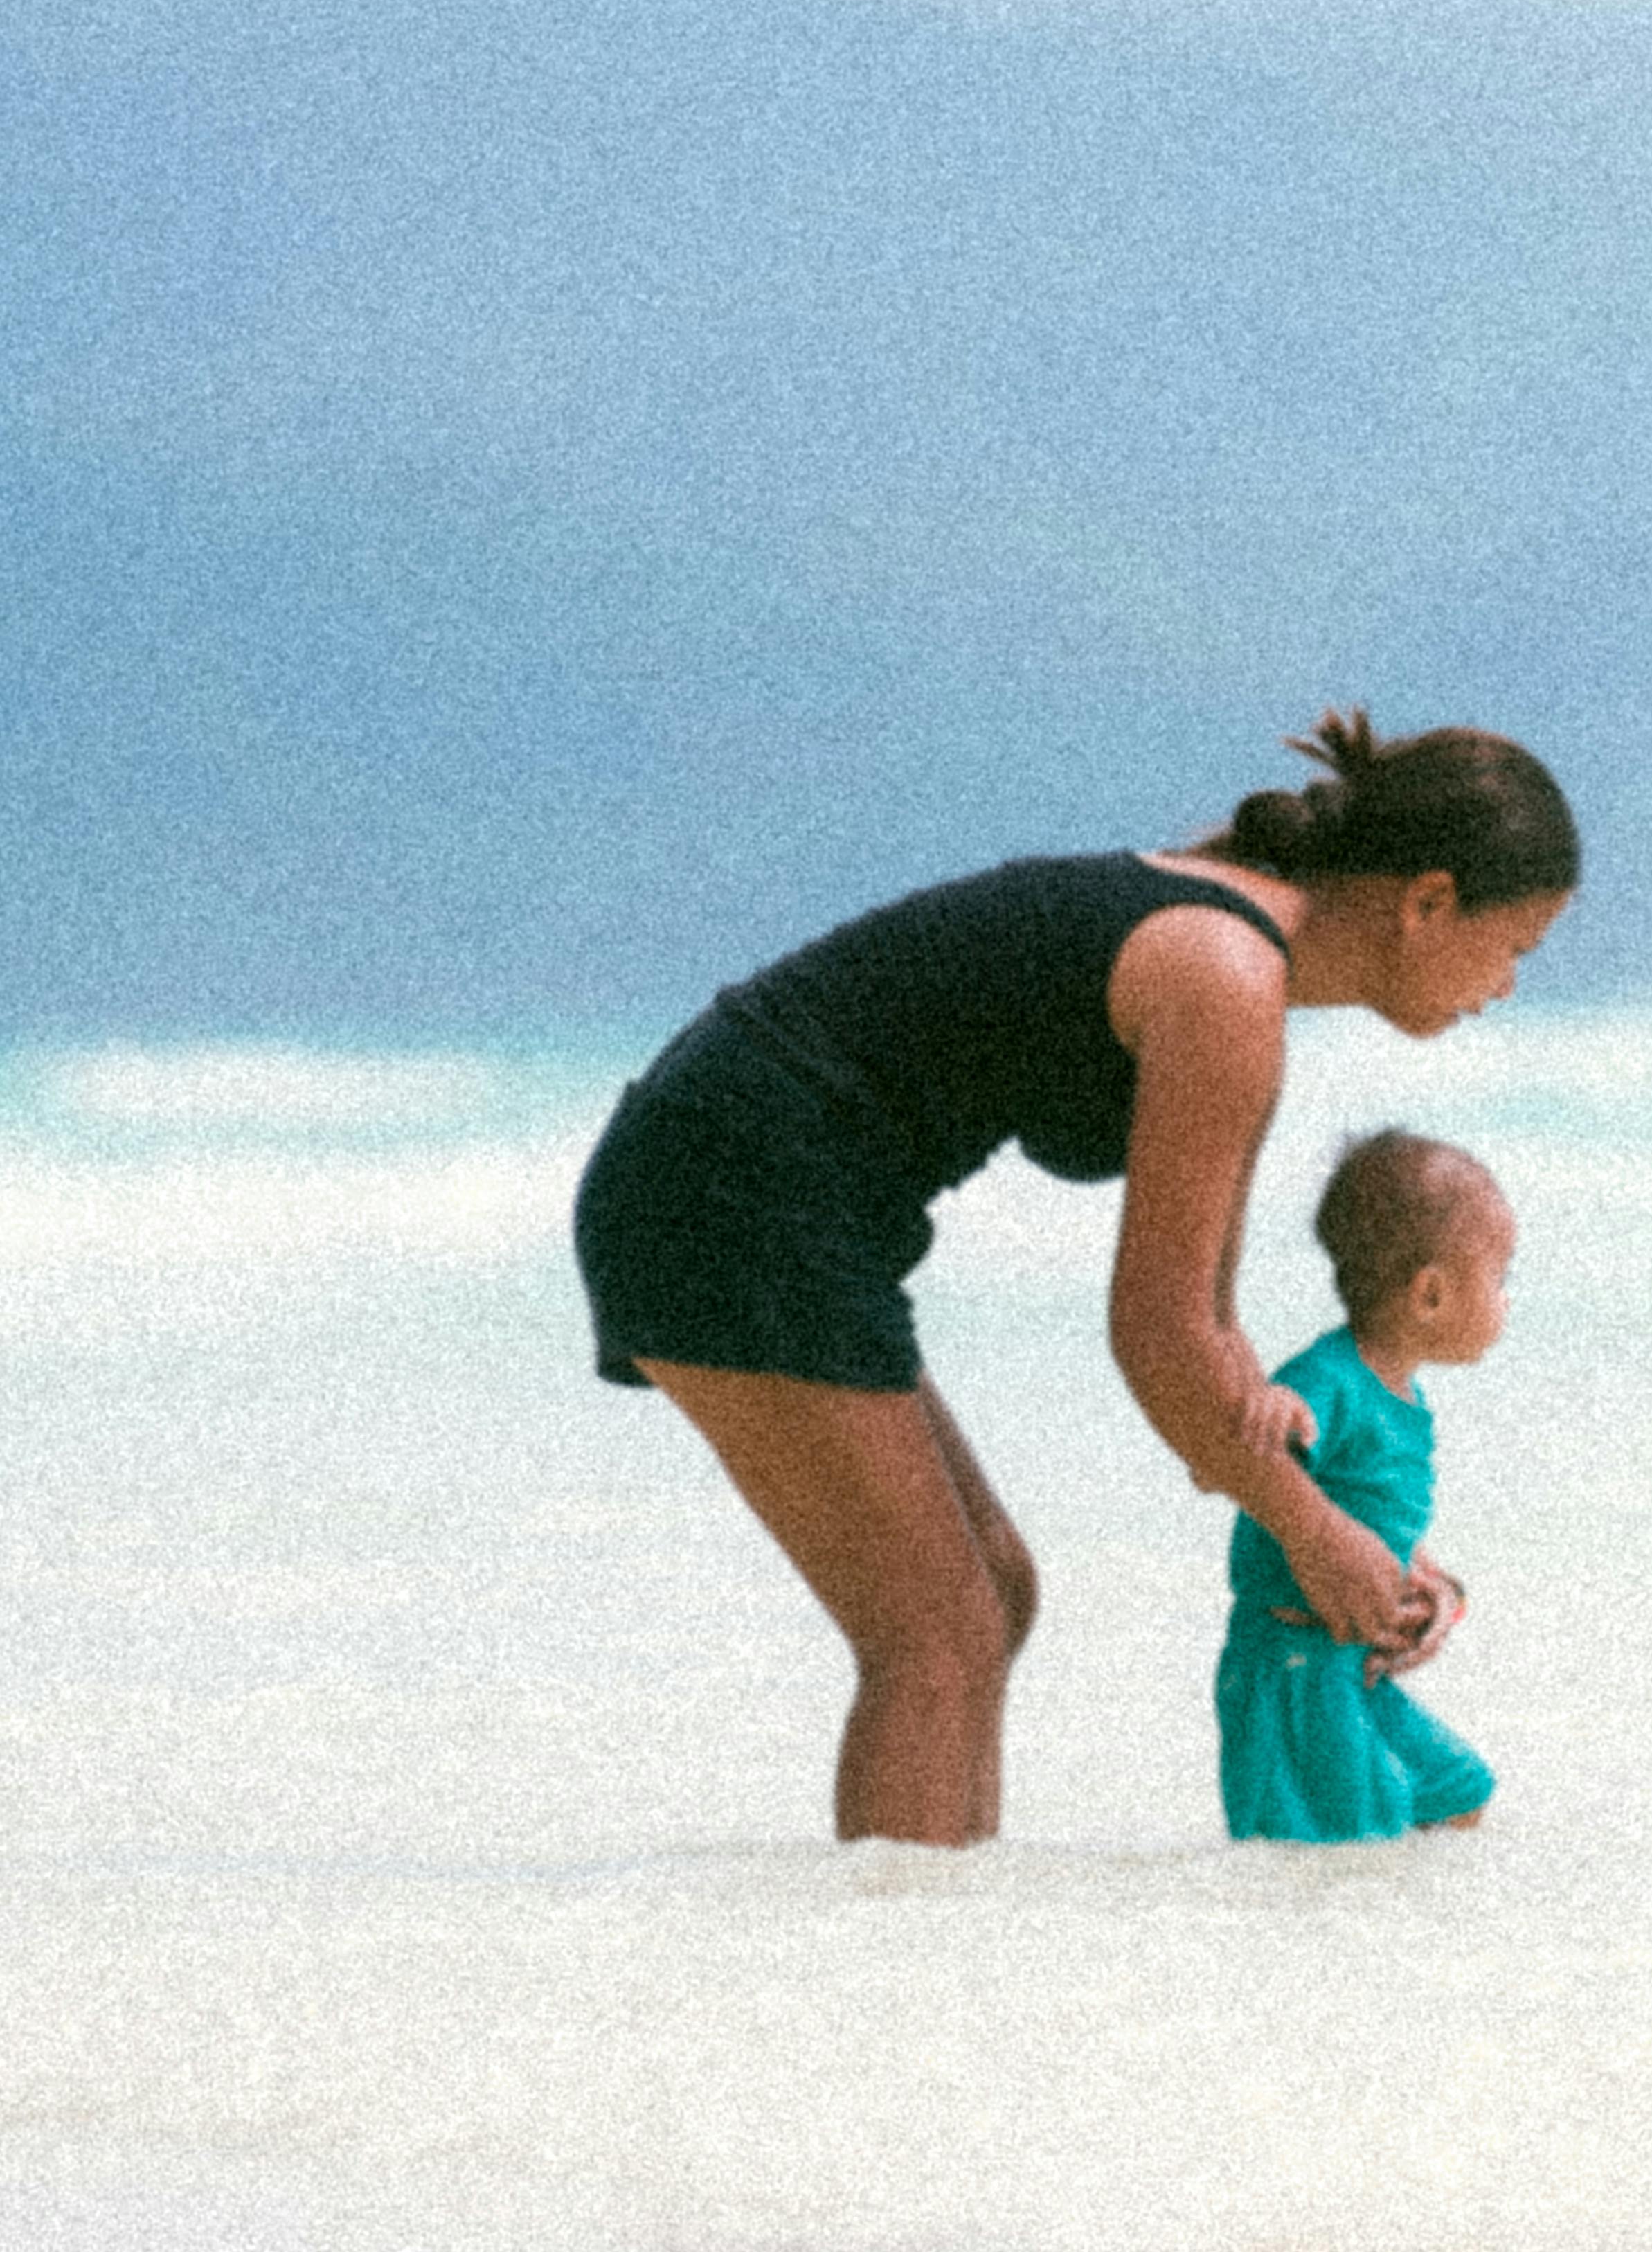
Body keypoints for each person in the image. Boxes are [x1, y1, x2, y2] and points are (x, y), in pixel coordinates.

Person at [571, 713, 1578, 1846]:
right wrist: (1308, 1533)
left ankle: (941, 1948)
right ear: (1428, 898)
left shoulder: (1243, 966)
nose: (1504, 985)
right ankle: (889, 1993)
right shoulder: (1224, 973)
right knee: (936, 1634)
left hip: (767, 1182)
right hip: (730, 1181)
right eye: (1516, 946)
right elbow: (1155, 1337)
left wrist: (1364, 1528)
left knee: (990, 1593)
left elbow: (1211, 1333)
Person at [1214, 1132, 1511, 1843]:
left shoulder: (1398, 1391)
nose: (1506, 1299)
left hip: (1350, 1662)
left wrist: (1433, 1585)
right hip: (1291, 1666)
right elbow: (1246, 1454)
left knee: (1454, 1792)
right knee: (1347, 1841)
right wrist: (1274, 1410)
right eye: (1500, 1278)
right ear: (1431, 1294)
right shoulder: (1329, 1379)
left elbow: (1368, 1510)